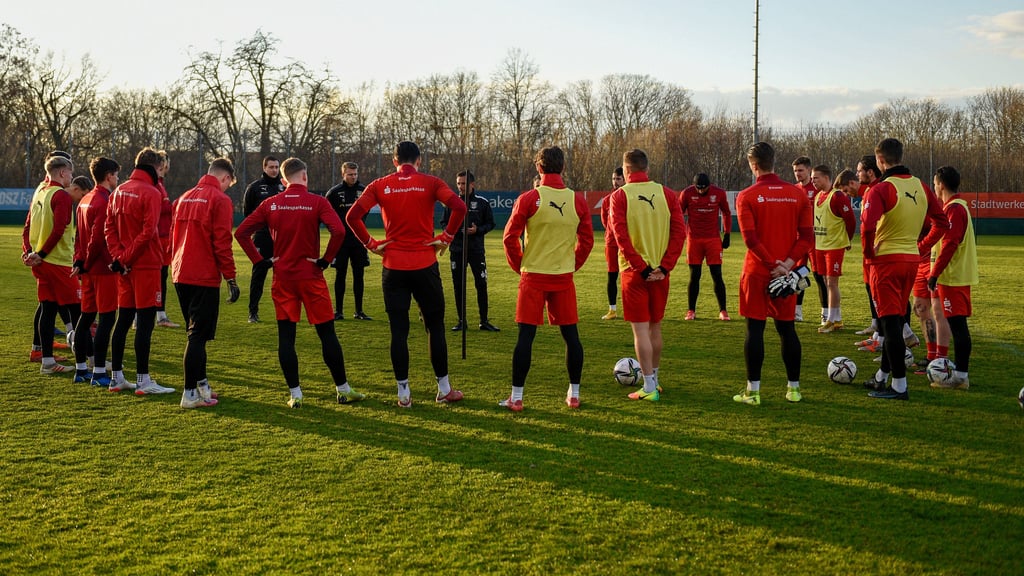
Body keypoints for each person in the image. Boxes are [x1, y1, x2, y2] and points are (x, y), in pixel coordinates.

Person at [345, 141, 467, 408]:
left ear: (394, 160)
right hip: (425, 264)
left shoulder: (379, 184)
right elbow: (460, 207)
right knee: (434, 327)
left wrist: (371, 244)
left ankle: (403, 394)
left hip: (393, 267)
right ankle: (444, 389)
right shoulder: (431, 182)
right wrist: (446, 236)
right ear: (419, 160)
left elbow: (352, 216)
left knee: (398, 331)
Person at [236, 157, 364, 408]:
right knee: (327, 334)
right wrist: (326, 260)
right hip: (311, 277)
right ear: (304, 176)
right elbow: (339, 231)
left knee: (286, 337)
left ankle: (295, 395)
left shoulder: (271, 203)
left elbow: (240, 233)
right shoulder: (317, 201)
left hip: (283, 278)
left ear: (283, 180)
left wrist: (260, 261)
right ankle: (343, 390)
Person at [500, 145, 594, 411]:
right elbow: (586, 240)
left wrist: (521, 266)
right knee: (571, 337)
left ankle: (516, 398)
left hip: (533, 276)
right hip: (562, 277)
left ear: (538, 168)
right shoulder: (576, 200)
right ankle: (574, 395)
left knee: (525, 338)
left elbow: (509, 238)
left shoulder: (529, 198)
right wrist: (572, 263)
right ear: (563, 167)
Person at [861, 138, 949, 400]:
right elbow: (941, 223)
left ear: (879, 161)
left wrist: (868, 254)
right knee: (896, 322)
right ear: (901, 155)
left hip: (886, 262)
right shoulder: (921, 186)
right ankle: (881, 377)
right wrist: (921, 246)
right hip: (911, 261)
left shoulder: (880, 190)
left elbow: (866, 227)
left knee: (890, 325)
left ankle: (899, 386)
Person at [734, 142, 814, 406]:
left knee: (754, 330)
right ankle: (794, 390)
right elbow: (807, 237)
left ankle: (753, 392)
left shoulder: (746, 195)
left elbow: (750, 239)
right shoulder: (797, 194)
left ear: (753, 165)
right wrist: (787, 264)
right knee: (787, 329)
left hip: (758, 271)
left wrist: (771, 265)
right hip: (787, 274)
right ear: (774, 162)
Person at [609, 149, 685, 402]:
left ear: (626, 170)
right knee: (655, 327)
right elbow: (679, 233)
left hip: (635, 273)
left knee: (640, 330)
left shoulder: (619, 196)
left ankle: (649, 386)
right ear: (647, 169)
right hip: (660, 274)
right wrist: (664, 267)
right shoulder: (666, 194)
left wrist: (641, 267)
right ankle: (656, 380)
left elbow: (621, 237)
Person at [105, 147, 175, 395]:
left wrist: (118, 258)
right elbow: (148, 233)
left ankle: (116, 377)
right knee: (145, 322)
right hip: (145, 264)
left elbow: (109, 228)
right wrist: (125, 257)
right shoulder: (152, 192)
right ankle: (144, 380)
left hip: (124, 267)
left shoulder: (119, 191)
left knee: (123, 320)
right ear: (155, 167)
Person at [172, 158, 240, 408]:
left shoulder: (183, 197)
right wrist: (230, 277)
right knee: (198, 336)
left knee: (194, 335)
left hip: (180, 272)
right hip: (203, 275)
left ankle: (202, 386)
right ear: (225, 178)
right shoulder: (220, 200)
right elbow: (222, 241)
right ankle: (189, 394)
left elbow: (173, 237)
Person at [22, 153, 81, 376]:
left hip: (40, 262)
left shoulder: (40, 190)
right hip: (58, 262)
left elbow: (27, 225)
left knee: (48, 309)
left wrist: (29, 252)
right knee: (78, 310)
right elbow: (58, 230)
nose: (72, 177)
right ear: (63, 173)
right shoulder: (61, 196)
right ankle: (90, 362)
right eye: (71, 173)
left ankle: (46, 361)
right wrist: (42, 253)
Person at [72, 157, 120, 387]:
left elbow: (79, 237)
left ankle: (81, 368)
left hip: (88, 269)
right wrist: (88, 262)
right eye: (117, 175)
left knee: (86, 317)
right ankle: (99, 371)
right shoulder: (103, 200)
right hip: (101, 269)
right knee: (107, 319)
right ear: (109, 175)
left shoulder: (84, 200)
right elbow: (97, 240)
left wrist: (79, 262)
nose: (118, 179)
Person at [927, 166, 976, 389]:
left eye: (935, 183)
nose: (934, 187)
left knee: (958, 326)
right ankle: (959, 373)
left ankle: (961, 377)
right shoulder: (953, 207)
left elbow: (950, 244)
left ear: (942, 184)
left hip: (953, 277)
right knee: (956, 324)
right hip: (953, 276)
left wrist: (934, 273)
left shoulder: (955, 209)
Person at [442, 170, 499, 332]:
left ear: (472, 184)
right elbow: (443, 223)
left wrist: (478, 230)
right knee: (458, 285)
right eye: (458, 183)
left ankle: (484, 321)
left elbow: (491, 224)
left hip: (476, 250)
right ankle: (461, 321)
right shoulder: (451, 202)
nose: (460, 186)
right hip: (457, 250)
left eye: (464, 183)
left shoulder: (482, 203)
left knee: (481, 284)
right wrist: (452, 230)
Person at [679, 172, 732, 321]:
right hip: (694, 240)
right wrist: (681, 232)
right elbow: (677, 213)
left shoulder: (719, 193)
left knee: (717, 275)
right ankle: (691, 310)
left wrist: (727, 234)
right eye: (698, 189)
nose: (701, 191)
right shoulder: (687, 193)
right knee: (694, 276)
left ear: (709, 186)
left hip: (713, 240)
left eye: (704, 189)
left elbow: (727, 213)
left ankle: (723, 310)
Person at [325, 161, 372, 321]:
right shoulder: (334, 193)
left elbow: (366, 211)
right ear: (343, 174)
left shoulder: (363, 191)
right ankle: (338, 311)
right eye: (350, 174)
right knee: (340, 274)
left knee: (359, 275)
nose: (353, 177)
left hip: (359, 240)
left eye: (355, 174)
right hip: (341, 241)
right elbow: (327, 214)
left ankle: (359, 311)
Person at [242, 156, 285, 323]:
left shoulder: (284, 187)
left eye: (276, 167)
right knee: (258, 274)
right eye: (271, 167)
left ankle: (283, 312)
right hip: (262, 237)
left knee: (282, 276)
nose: (274, 170)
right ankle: (253, 312)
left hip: (282, 238)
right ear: (264, 167)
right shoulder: (254, 188)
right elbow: (248, 215)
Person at [813, 167, 856, 334]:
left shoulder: (837, 196)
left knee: (832, 282)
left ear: (826, 177)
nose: (814, 181)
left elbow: (851, 220)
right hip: (820, 246)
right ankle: (836, 318)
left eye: (816, 178)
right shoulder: (818, 196)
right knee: (826, 281)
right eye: (812, 178)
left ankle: (832, 319)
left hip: (834, 246)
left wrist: (847, 239)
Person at [155, 151, 180, 328]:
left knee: (160, 276)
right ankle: (158, 316)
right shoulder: (155, 184)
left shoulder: (160, 184)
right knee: (158, 275)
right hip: (158, 238)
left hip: (162, 236)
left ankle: (159, 315)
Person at [791, 156, 816, 322]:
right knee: (798, 275)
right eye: (795, 171)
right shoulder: (793, 190)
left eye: (800, 170)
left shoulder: (817, 188)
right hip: (799, 240)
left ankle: (829, 314)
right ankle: (797, 311)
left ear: (809, 170)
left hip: (816, 240)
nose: (797, 174)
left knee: (822, 276)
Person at [600, 167, 625, 320]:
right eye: (614, 179)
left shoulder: (630, 198)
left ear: (625, 179)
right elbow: (605, 221)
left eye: (618, 179)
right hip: (611, 243)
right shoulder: (606, 200)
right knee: (612, 276)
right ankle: (612, 310)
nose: (615, 182)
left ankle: (633, 309)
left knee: (630, 277)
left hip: (628, 243)